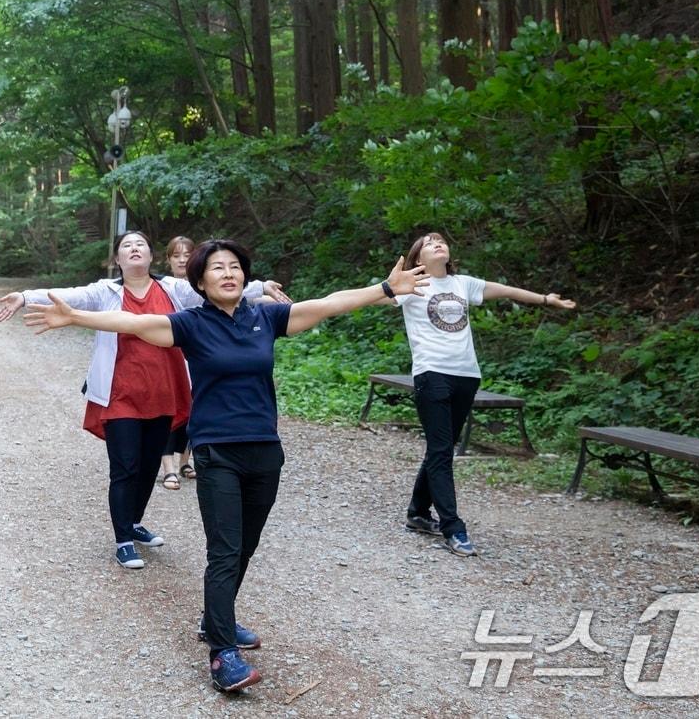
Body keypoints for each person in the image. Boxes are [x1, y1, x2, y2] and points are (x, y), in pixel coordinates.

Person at [24, 239, 427, 693]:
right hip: (217, 452)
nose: (228, 274)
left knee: (246, 546)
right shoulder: (192, 325)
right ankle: (222, 653)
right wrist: (76, 317)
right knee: (225, 550)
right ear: (199, 281)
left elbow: (328, 305)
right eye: (217, 268)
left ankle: (216, 618)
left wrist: (385, 290)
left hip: (264, 450)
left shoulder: (266, 317)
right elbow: (134, 322)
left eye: (235, 267)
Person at [0, 231, 288, 571]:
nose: (134, 250)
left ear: (151, 257)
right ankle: (122, 541)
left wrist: (262, 286)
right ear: (117, 260)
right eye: (126, 247)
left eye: (140, 245)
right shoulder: (105, 292)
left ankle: (133, 522)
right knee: (125, 467)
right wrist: (25, 298)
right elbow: (68, 296)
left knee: (150, 466)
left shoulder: (174, 289)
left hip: (164, 392)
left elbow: (219, 286)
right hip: (120, 396)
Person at [391, 231, 576, 557]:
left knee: (442, 447)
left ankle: (418, 513)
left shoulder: (463, 284)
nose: (438, 243)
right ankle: (453, 527)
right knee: (441, 451)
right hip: (431, 374)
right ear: (418, 259)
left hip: (466, 375)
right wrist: (390, 284)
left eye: (441, 240)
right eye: (428, 242)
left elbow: (505, 291)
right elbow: (372, 297)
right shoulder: (410, 285)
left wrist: (546, 299)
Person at [158, 236, 196, 490]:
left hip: (197, 354)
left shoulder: (204, 286)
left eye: (187, 254)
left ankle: (186, 460)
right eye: (176, 255)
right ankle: (167, 466)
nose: (182, 260)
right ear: (168, 259)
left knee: (195, 407)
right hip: (169, 354)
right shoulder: (162, 287)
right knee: (167, 408)